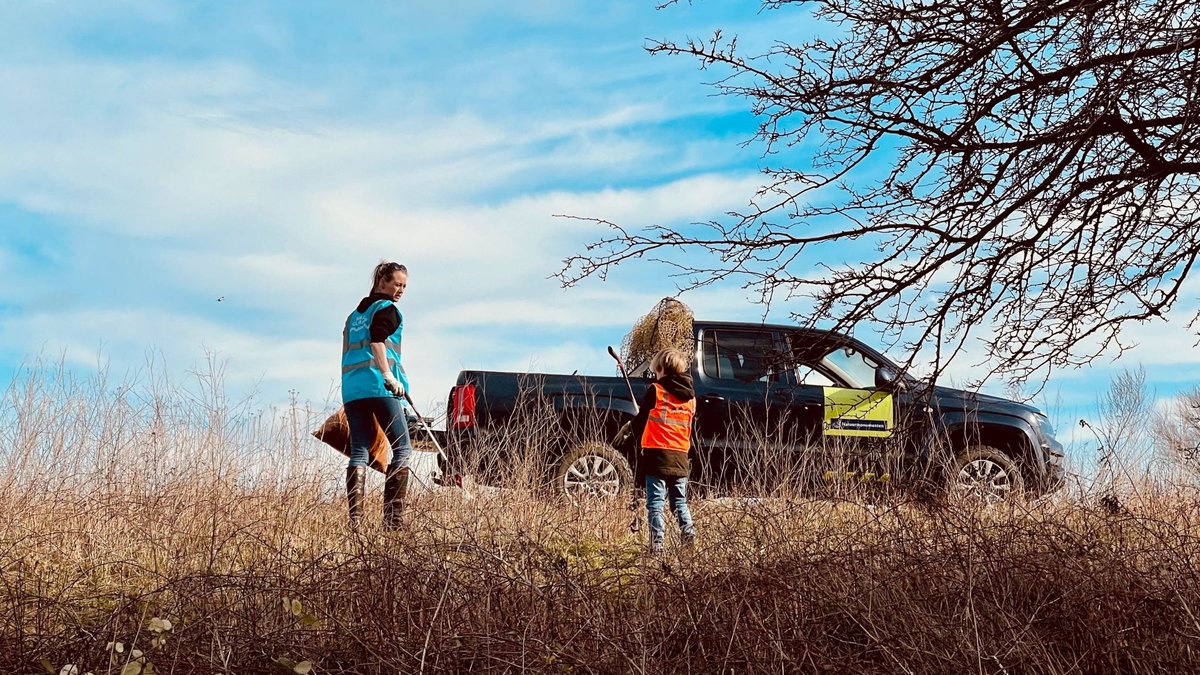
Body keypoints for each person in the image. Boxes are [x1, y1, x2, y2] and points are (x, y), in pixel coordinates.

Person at [341, 261, 413, 529]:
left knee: (359, 451)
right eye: (397, 284)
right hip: (381, 388)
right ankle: (393, 522)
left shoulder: (353, 316)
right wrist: (388, 376)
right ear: (382, 281)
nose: (400, 290)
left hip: (353, 390)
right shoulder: (387, 309)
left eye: (404, 286)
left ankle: (356, 524)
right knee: (403, 449)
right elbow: (377, 341)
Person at [627, 348, 697, 553]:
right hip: (681, 456)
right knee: (680, 502)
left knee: (656, 503)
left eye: (656, 370)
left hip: (657, 455)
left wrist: (630, 431)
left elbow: (642, 419)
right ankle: (689, 538)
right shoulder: (691, 398)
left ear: (662, 369)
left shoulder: (656, 390)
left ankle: (657, 547)